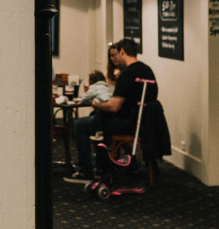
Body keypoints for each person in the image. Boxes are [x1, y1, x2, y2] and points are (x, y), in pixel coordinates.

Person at [65, 38, 157, 183]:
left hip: (126, 123)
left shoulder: (127, 74)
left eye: (117, 53)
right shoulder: (148, 71)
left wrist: (95, 104)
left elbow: (114, 106)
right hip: (145, 124)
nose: (115, 57)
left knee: (80, 124)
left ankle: (86, 171)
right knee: (97, 118)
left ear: (122, 51)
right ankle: (104, 165)